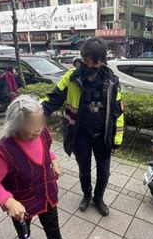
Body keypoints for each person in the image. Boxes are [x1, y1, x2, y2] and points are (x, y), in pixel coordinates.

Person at [0, 95, 76, 239]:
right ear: (16, 124)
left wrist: (54, 162)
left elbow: (46, 150)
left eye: (40, 122)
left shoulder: (42, 133)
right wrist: (8, 201)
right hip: (22, 199)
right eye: (33, 125)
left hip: (47, 193)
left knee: (52, 223)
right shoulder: (3, 151)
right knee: (23, 225)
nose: (39, 128)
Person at [42, 38, 124, 216]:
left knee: (104, 172)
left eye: (92, 63)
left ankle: (98, 198)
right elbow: (53, 100)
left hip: (103, 135)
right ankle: (87, 195)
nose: (88, 66)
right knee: (83, 169)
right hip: (79, 134)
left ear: (102, 61)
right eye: (85, 61)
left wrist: (116, 140)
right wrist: (35, 113)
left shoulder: (111, 82)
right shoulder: (71, 77)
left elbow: (118, 113)